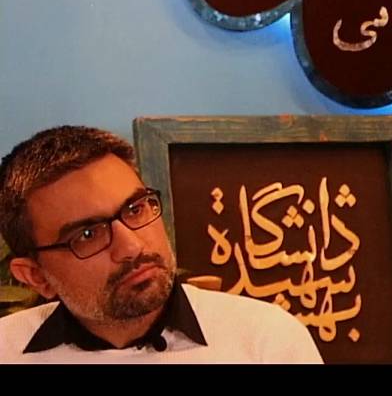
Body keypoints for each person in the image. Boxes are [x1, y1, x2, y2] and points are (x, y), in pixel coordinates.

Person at [0, 125, 324, 363]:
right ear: (35, 276)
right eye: (87, 235)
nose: (132, 247)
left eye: (135, 209)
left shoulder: (265, 339)